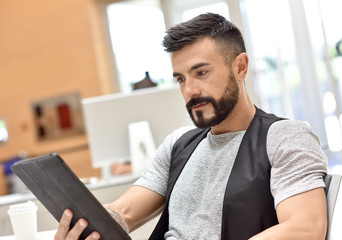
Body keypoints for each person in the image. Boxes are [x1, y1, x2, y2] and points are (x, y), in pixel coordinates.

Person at [54, 13, 328, 240]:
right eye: (181, 79)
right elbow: (122, 212)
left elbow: (305, 228)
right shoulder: (179, 144)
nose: (190, 90)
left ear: (240, 68)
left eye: (201, 73)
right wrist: (85, 228)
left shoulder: (284, 137)